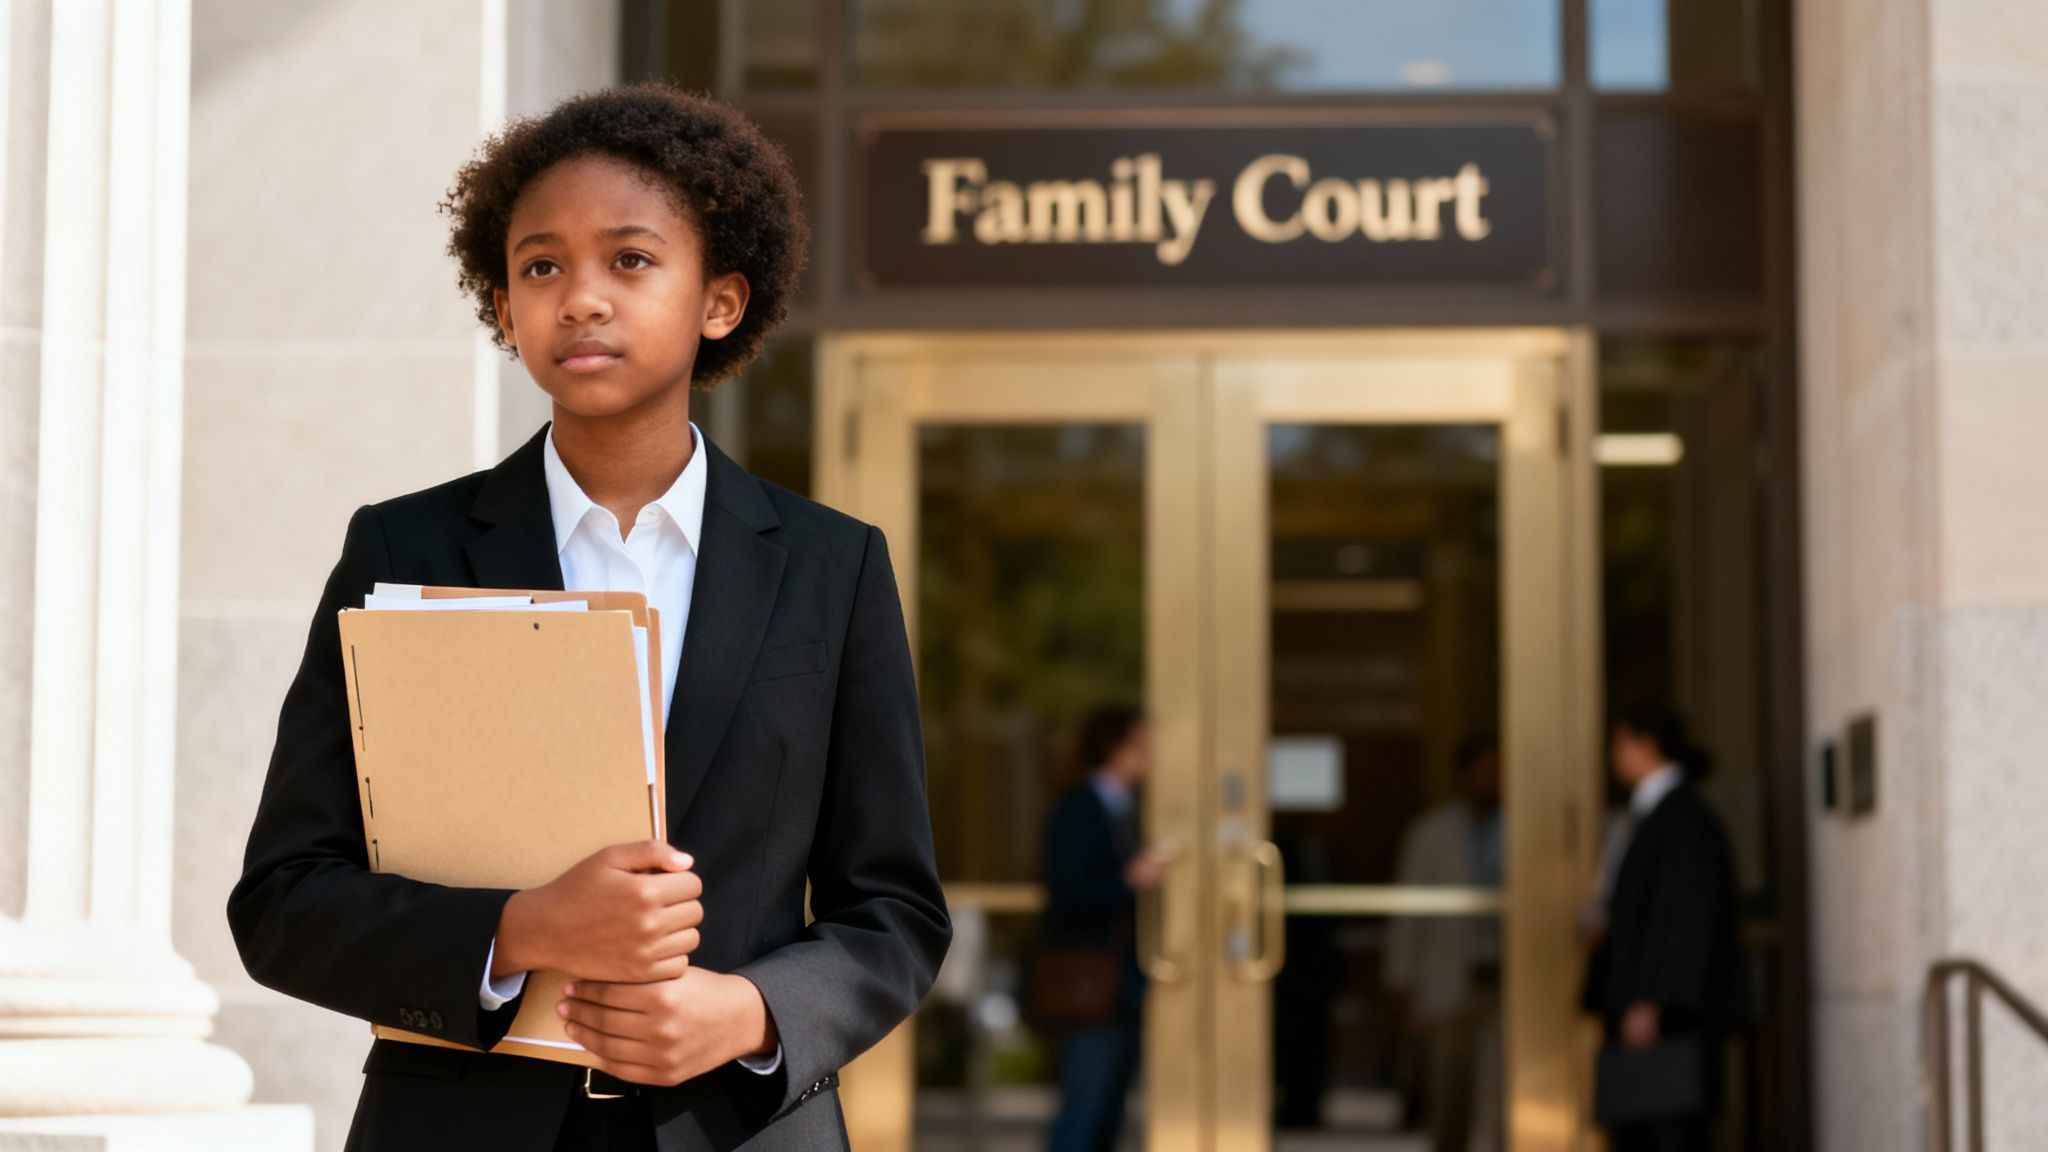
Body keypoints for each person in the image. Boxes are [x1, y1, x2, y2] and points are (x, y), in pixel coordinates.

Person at [226, 84, 950, 1152]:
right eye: (541, 266)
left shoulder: (831, 567)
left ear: (720, 300)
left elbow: (893, 911)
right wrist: (519, 928)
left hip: (737, 1128)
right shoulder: (402, 550)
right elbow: (285, 900)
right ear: (503, 303)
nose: (579, 299)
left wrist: (747, 1015)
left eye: (630, 259)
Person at [1583, 703, 1744, 1152]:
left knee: (1667, 1133)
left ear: (1646, 744)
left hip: (1666, 1020)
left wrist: (1651, 1000)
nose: (1614, 756)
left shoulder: (1681, 820)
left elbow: (1682, 919)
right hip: (1654, 1014)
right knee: (1645, 1131)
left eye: (1620, 743)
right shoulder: (1657, 816)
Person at [1039, 707, 1168, 1152]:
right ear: (1117, 748)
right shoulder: (1079, 809)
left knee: (1108, 1112)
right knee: (1085, 1110)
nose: (1151, 755)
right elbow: (1068, 891)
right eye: (1143, 744)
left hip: (1122, 981)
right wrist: (1130, 880)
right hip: (1093, 981)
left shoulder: (1122, 809)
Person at [1384, 735, 1505, 1152]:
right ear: (1463, 777)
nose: (1492, 782)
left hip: (1504, 977)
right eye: (1484, 773)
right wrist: (1401, 979)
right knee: (1449, 1093)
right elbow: (1408, 911)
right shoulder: (1431, 833)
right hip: (1450, 978)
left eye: (1497, 773)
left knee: (1501, 1096)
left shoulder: (1516, 827)